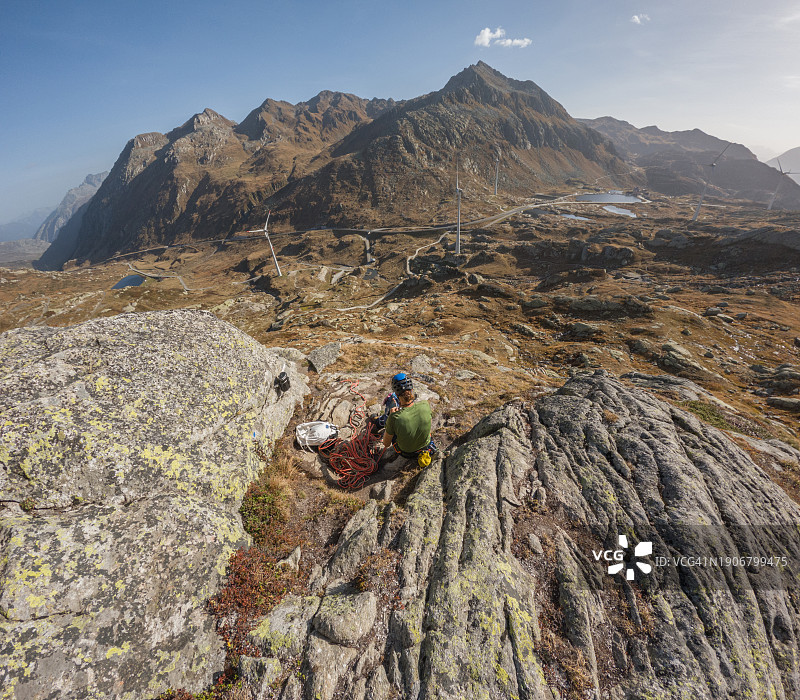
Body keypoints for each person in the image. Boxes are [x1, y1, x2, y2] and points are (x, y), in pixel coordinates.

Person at [381, 373, 436, 461]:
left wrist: (391, 417)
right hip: (426, 446)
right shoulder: (425, 404)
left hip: (407, 453)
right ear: (412, 389)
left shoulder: (394, 417)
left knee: (389, 423)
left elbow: (386, 444)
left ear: (396, 395)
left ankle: (380, 422)